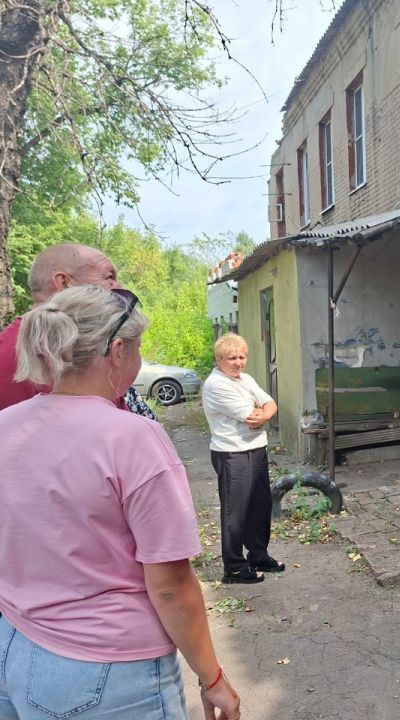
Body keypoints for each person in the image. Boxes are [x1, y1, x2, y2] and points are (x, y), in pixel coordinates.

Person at [0, 286, 240, 719]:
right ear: (117, 350)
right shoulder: (131, 437)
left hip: (14, 643)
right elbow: (169, 584)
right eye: (139, 348)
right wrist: (213, 678)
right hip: (106, 670)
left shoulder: (6, 425)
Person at [0, 243, 156, 419]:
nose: (119, 287)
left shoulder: (77, 342)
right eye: (109, 277)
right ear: (64, 283)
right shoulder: (23, 352)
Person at [202, 333, 282, 584]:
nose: (238, 362)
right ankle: (234, 566)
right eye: (231, 358)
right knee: (236, 511)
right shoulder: (216, 384)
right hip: (232, 452)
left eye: (242, 356)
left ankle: (258, 555)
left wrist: (265, 413)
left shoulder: (245, 379)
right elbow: (250, 415)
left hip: (256, 448)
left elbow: (269, 404)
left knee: (260, 506)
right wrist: (261, 413)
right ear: (218, 359)